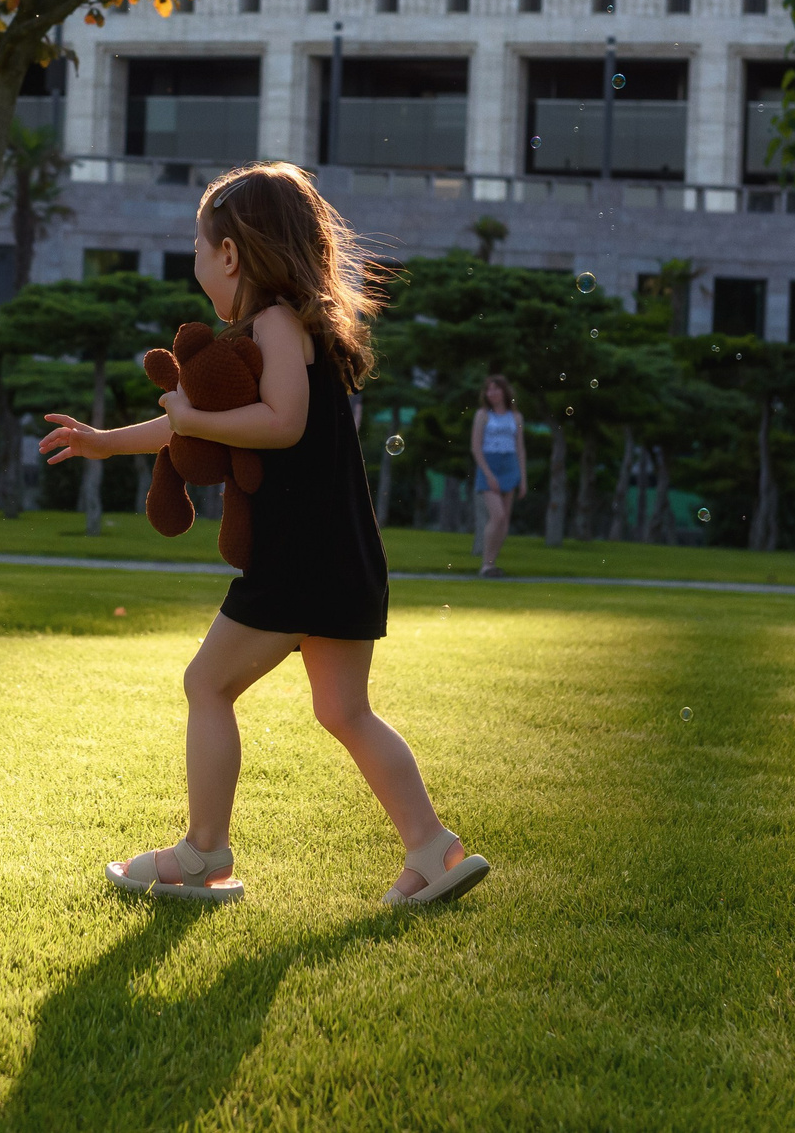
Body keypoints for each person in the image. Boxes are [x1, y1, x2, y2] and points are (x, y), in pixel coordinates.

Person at [40, 162, 489, 906]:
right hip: (343, 555)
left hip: (299, 558)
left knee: (207, 683)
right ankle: (434, 850)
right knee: (343, 710)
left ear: (229, 255)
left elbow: (280, 422)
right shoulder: (292, 328)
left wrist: (191, 417)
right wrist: (106, 441)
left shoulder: (276, 324)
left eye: (197, 244)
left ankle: (202, 855)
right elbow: (193, 425)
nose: (193, 259)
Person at [470, 374, 526, 579]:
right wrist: (488, 474)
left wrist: (523, 479)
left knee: (504, 521)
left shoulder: (516, 417)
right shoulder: (483, 415)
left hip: (509, 465)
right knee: (497, 516)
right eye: (488, 389)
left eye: (496, 388)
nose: (491, 393)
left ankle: (492, 563)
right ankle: (485, 564)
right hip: (489, 465)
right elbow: (476, 447)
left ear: (504, 391)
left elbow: (520, 449)